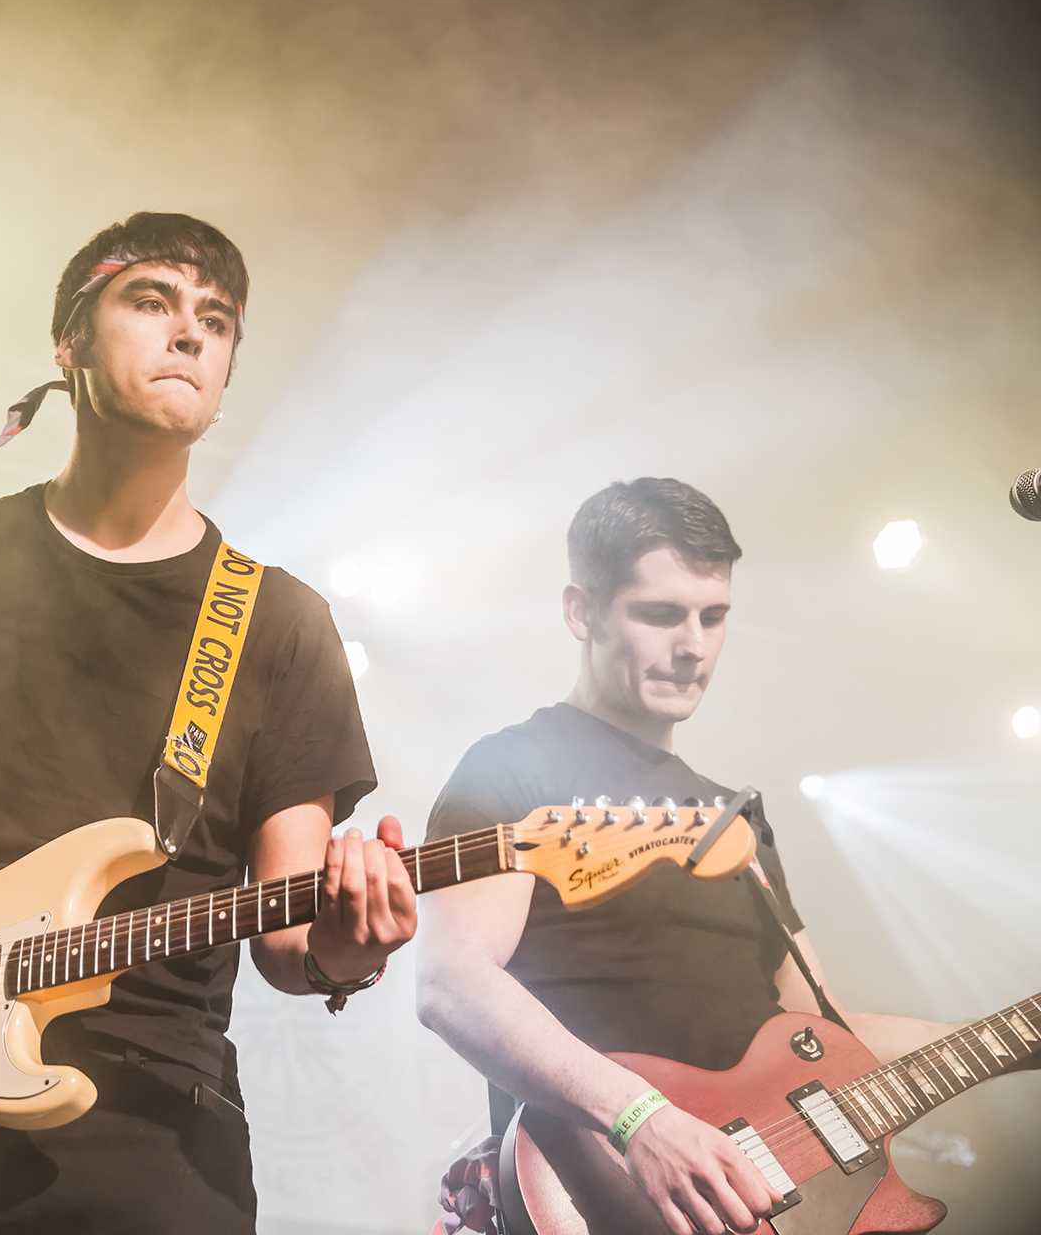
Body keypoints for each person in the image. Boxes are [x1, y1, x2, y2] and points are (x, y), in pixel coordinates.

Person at [0, 211, 418, 1233]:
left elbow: (288, 938)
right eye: (153, 300)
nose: (188, 332)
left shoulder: (279, 622)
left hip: (150, 1122)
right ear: (69, 341)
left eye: (216, 320)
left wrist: (346, 952)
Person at [413, 478, 984, 1235]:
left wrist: (1012, 1037)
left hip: (761, 1206)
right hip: (604, 1195)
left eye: (713, 617)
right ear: (582, 612)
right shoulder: (511, 768)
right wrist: (639, 1119)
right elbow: (452, 982)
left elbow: (822, 1029)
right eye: (660, 614)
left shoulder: (735, 818)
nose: (694, 646)